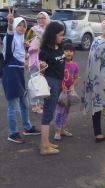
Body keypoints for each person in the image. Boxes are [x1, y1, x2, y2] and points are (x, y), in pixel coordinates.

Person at [2, 8, 40, 144]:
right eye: (20, 25)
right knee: (13, 106)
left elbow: (21, 58)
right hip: (10, 76)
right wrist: (10, 24)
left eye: (24, 25)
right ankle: (12, 133)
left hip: (18, 76)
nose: (22, 27)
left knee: (24, 103)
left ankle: (27, 127)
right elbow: (10, 36)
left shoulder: (21, 43)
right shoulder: (10, 39)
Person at [39, 21, 65, 155]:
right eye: (60, 35)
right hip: (51, 82)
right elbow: (40, 70)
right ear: (52, 35)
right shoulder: (45, 51)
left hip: (58, 82)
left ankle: (47, 143)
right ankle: (44, 146)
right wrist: (41, 65)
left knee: (51, 111)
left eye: (63, 35)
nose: (62, 37)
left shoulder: (59, 46)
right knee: (48, 113)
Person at [25, 12, 50, 114]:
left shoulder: (49, 30)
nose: (41, 20)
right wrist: (30, 44)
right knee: (35, 83)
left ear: (47, 18)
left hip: (45, 59)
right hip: (34, 58)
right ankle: (35, 105)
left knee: (44, 83)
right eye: (39, 18)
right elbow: (26, 42)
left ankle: (42, 104)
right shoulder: (33, 29)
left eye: (43, 18)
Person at [53, 43, 79, 141]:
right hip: (60, 91)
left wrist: (73, 85)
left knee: (66, 111)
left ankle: (63, 129)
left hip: (69, 92)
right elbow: (56, 76)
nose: (69, 53)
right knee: (59, 111)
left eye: (71, 51)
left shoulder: (75, 65)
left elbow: (76, 78)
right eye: (66, 51)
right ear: (62, 52)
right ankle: (57, 131)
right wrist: (61, 86)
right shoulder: (60, 63)